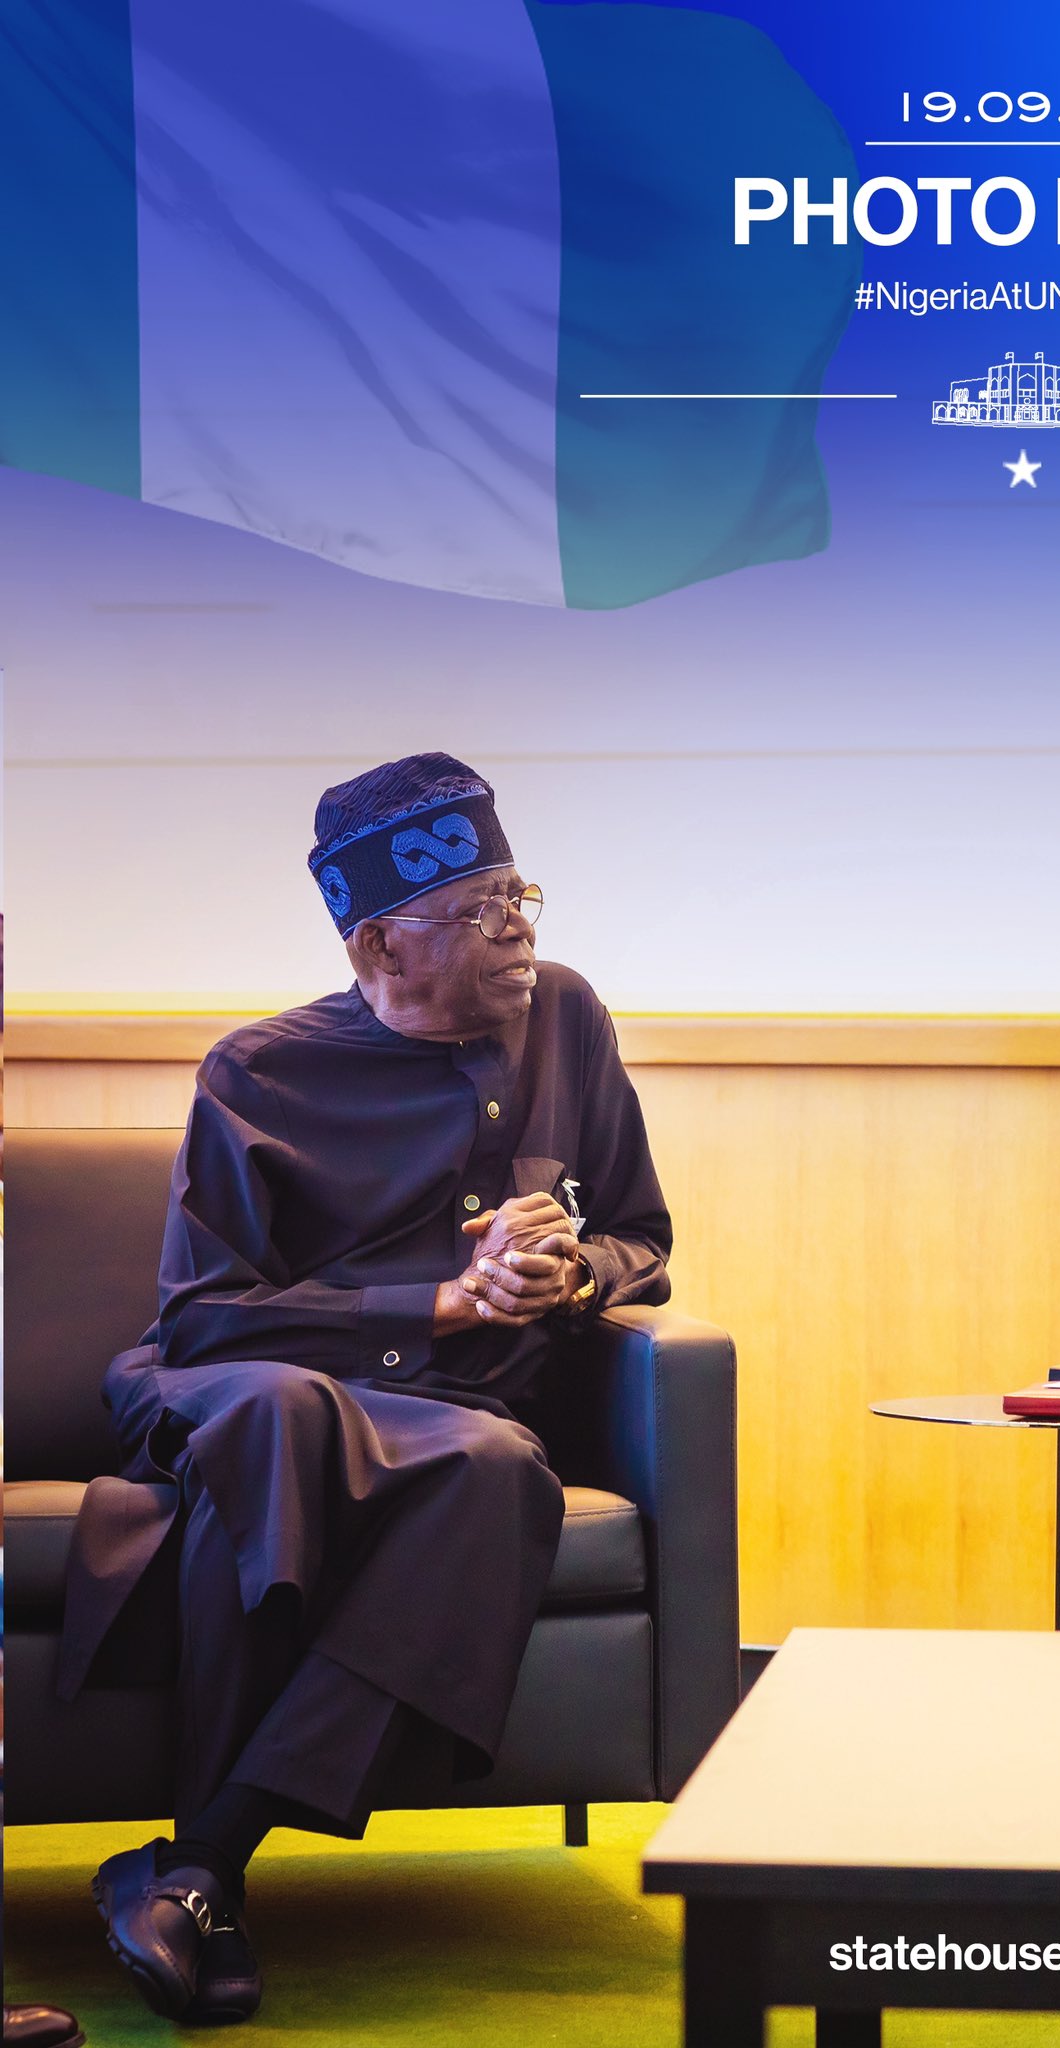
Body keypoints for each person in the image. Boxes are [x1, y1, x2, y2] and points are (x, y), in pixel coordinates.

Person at [58, 754, 672, 2024]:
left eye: (522, 898)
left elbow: (643, 1236)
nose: (516, 933)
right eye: (477, 910)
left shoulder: (567, 1013)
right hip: (247, 1379)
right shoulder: (258, 1070)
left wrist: (564, 1272)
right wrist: (435, 1302)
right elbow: (201, 1314)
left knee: (503, 1466)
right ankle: (201, 1869)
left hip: (456, 1416)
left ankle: (198, 1863)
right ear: (382, 943)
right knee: (278, 1421)